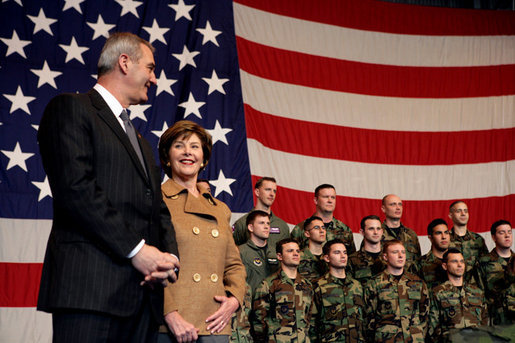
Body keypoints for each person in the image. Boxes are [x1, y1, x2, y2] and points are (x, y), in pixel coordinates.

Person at [36, 32, 180, 342]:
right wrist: (138, 250)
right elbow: (76, 189)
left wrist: (169, 260)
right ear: (124, 62)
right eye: (151, 68)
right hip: (91, 293)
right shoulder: (71, 108)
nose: (154, 79)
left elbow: (157, 207)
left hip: (142, 299)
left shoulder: (140, 141)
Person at [158, 120, 246, 343]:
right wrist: (169, 313)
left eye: (195, 146)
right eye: (179, 145)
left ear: (204, 159)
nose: (188, 152)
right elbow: (148, 266)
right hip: (172, 323)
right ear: (167, 157)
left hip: (215, 321)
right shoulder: (155, 200)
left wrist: (234, 300)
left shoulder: (220, 209)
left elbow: (234, 265)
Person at [363, 240, 428, 343]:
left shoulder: (417, 282)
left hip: (414, 339)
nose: (400, 256)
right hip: (386, 339)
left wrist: (418, 333)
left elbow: (424, 314)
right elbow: (368, 318)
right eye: (395, 252)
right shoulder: (375, 284)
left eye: (403, 252)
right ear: (385, 257)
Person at [252, 238, 313, 343]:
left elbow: (311, 319)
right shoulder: (268, 285)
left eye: (297, 251)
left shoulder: (307, 285)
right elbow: (259, 321)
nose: (295, 254)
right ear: (279, 256)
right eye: (290, 251)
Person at [311, 239, 365, 342]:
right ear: (327, 258)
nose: (343, 256)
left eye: (344, 252)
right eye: (337, 252)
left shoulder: (356, 286)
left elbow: (364, 319)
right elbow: (312, 323)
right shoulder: (318, 286)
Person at [429, 248, 488, 342]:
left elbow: (485, 322)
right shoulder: (438, 293)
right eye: (454, 261)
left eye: (462, 261)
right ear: (445, 266)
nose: (460, 265)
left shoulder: (477, 292)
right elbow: (432, 327)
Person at [291, 184, 356, 254]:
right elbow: (292, 257)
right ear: (316, 200)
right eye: (326, 197)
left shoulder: (345, 230)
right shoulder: (301, 229)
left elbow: (350, 259)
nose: (330, 200)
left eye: (333, 197)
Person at [232, 177, 290, 252]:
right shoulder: (242, 223)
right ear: (257, 192)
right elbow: (232, 252)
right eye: (268, 190)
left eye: (274, 191)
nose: (272, 194)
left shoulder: (282, 226)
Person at [479, 219, 514, 325]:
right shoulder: (483, 262)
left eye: (509, 232)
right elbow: (478, 293)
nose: (507, 236)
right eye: (502, 232)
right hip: (496, 320)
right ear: (493, 237)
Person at [238, 210, 279, 293]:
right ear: (251, 227)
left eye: (268, 223)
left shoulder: (275, 252)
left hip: (273, 303)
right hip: (250, 302)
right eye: (261, 223)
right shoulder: (240, 252)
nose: (266, 226)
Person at [448, 201, 488, 278]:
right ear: (450, 215)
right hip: (451, 287)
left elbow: (485, 265)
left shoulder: (478, 240)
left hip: (475, 287)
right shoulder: (445, 240)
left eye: (465, 211)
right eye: (458, 211)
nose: (463, 214)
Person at [380, 194, 421, 269]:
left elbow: (418, 263)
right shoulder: (376, 234)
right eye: (393, 204)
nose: (398, 208)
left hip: (408, 279)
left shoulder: (411, 235)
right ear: (383, 209)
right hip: (384, 279)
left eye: (400, 204)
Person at [348, 215, 386, 286]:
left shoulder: (390, 258)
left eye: (378, 229)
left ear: (382, 231)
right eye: (371, 229)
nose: (375, 232)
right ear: (362, 232)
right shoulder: (352, 260)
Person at [413, 218, 449, 290]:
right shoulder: (419, 264)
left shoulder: (459, 262)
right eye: (439, 233)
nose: (444, 237)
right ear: (430, 237)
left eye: (446, 232)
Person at [298, 216, 328, 283]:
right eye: (316, 228)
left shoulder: (330, 257)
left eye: (323, 228)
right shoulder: (298, 257)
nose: (321, 231)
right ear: (307, 233)